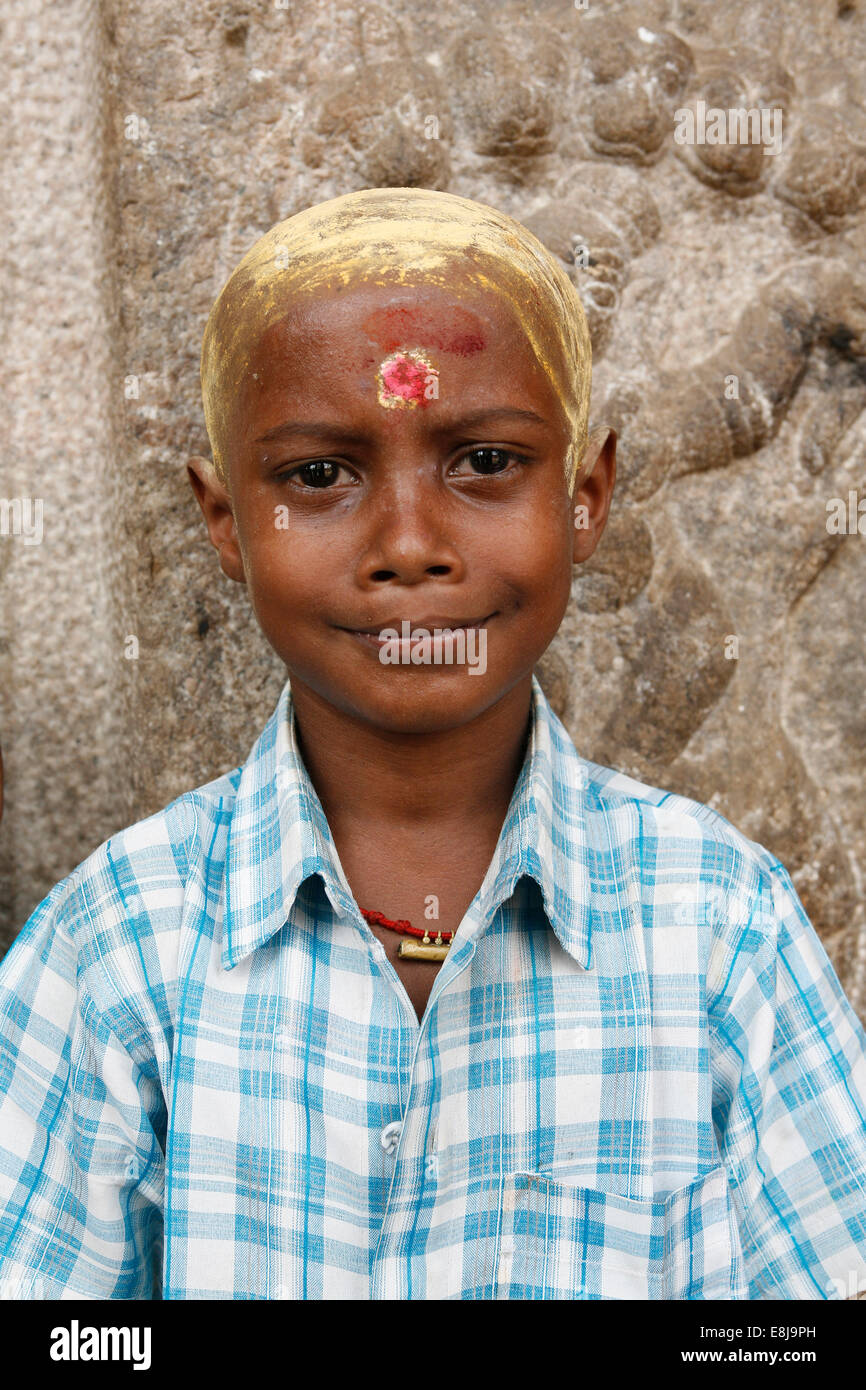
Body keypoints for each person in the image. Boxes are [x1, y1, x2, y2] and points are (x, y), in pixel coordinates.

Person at [1, 187, 865, 1301]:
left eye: (485, 463)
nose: (408, 545)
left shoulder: (717, 928)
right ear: (224, 521)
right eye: (319, 475)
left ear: (585, 493)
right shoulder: (121, 947)